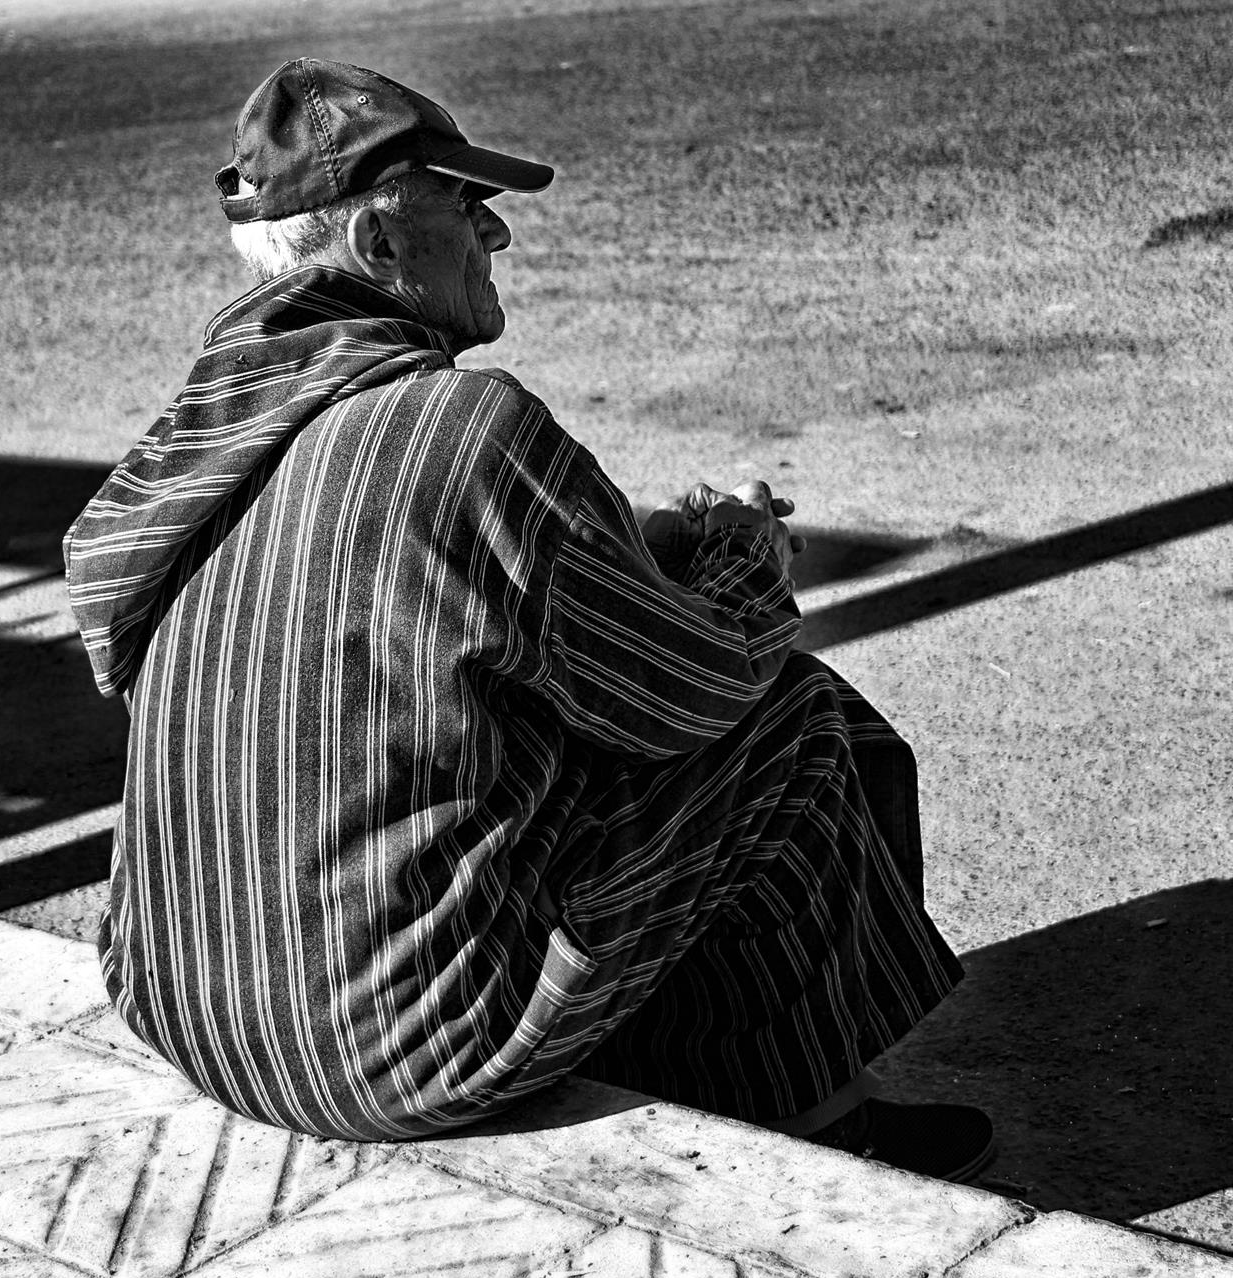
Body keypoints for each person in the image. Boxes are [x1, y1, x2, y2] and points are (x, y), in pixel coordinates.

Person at [63, 58, 994, 1180]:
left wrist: (632, 552)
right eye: (466, 203)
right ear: (378, 248)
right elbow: (690, 687)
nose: (495, 236)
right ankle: (825, 1125)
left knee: (550, 737)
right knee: (790, 722)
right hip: (379, 1050)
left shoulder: (198, 436)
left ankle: (686, 1063)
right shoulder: (462, 427)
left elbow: (389, 595)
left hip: (188, 1005)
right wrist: (747, 553)